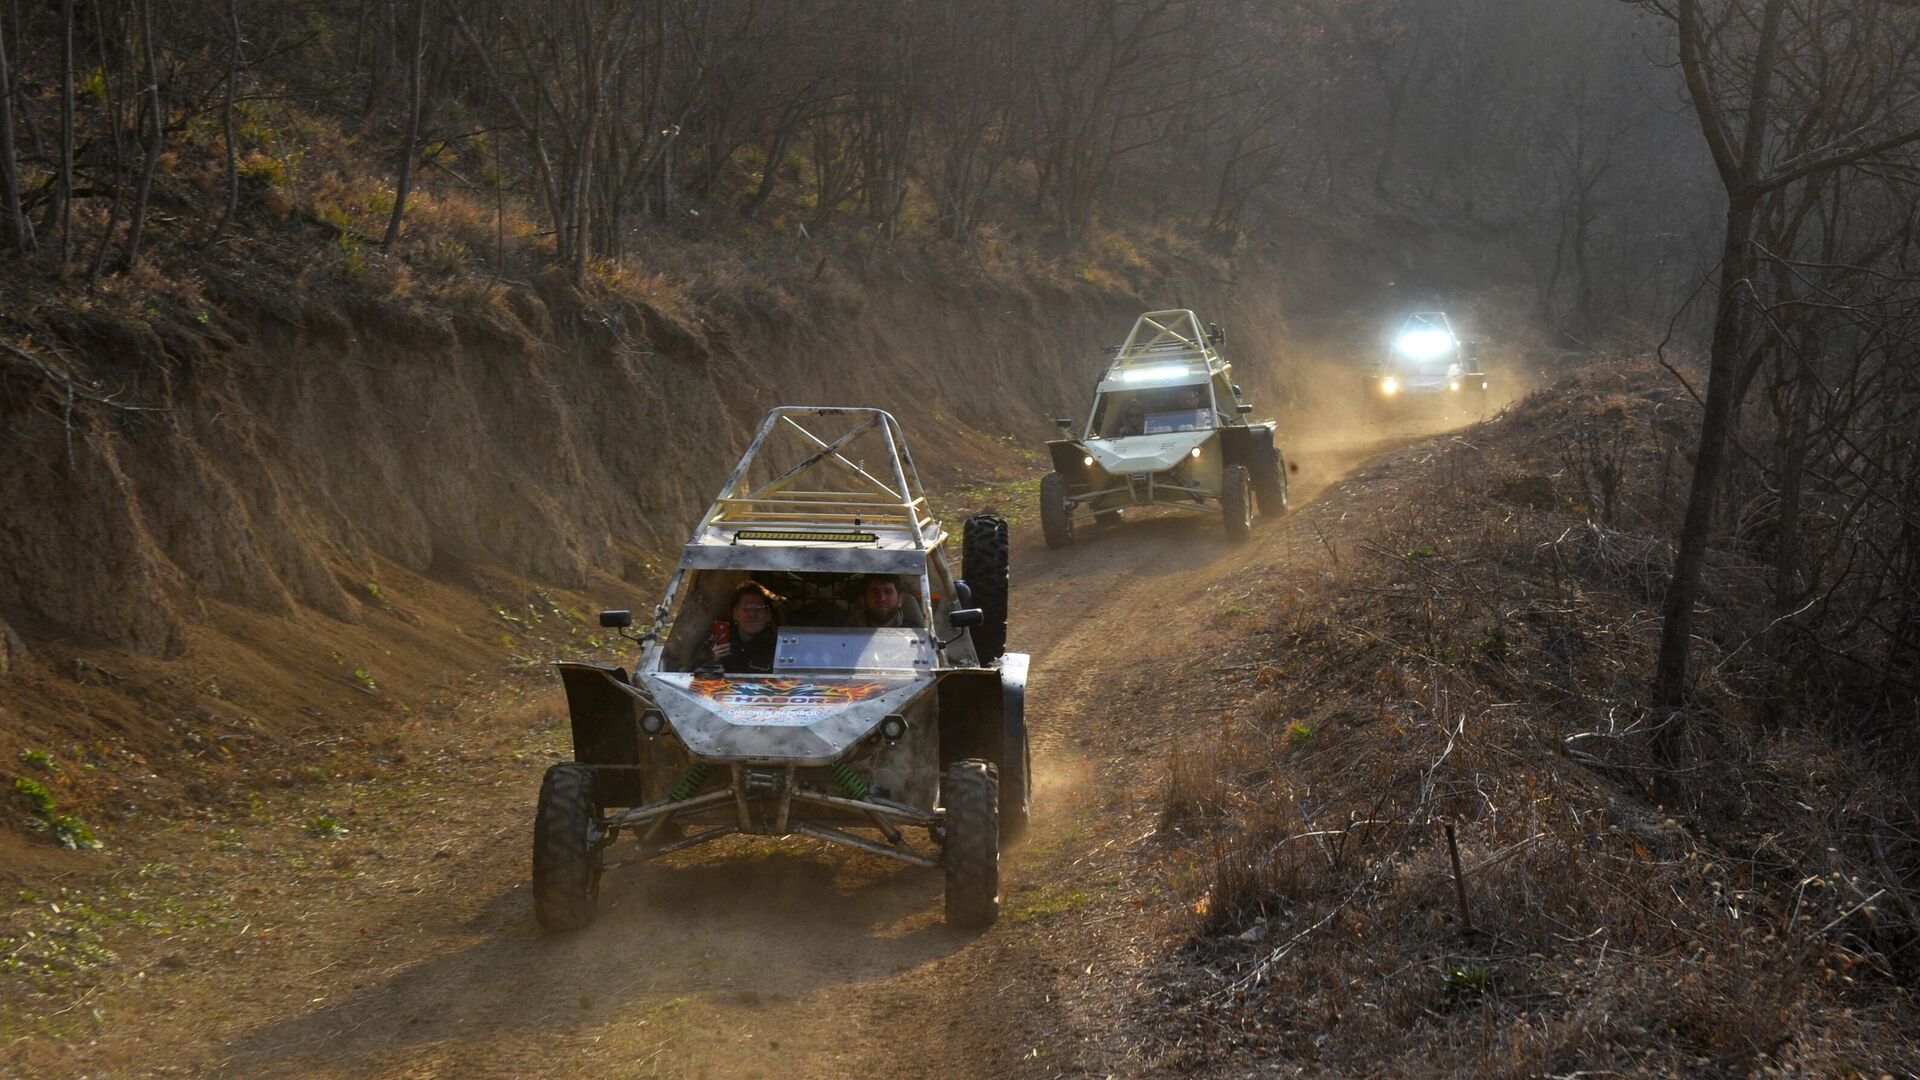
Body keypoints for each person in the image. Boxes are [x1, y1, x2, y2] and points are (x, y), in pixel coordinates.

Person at [695, 581, 781, 673]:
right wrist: (709, 661)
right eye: (745, 608)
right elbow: (687, 679)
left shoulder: (780, 648)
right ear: (735, 613)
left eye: (758, 608)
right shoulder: (716, 642)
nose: (752, 614)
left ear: (767, 615)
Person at [847, 574, 923, 628]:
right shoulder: (848, 632)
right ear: (863, 600)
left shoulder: (916, 634)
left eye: (888, 591)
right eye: (875, 592)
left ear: (900, 600)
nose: (882, 598)